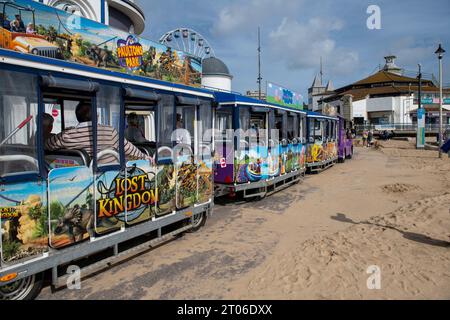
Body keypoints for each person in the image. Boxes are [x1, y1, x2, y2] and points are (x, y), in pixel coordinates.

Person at [45, 102, 153, 165]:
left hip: (83, 178)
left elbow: (47, 145)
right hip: (110, 174)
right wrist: (145, 157)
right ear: (96, 116)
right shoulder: (109, 131)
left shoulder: (67, 135)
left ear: (78, 117)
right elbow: (128, 148)